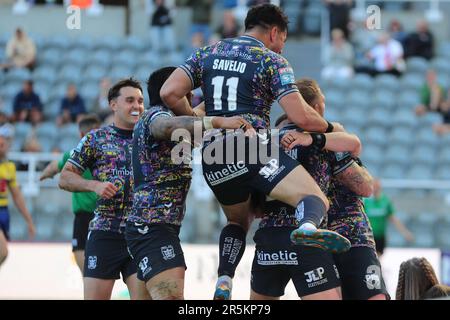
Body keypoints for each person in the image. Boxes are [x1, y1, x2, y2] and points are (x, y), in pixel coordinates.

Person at [160, 3, 350, 300]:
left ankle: (224, 278)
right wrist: (328, 127)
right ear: (274, 32)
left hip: (212, 155)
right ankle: (308, 228)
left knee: (238, 221)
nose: (283, 48)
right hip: (250, 146)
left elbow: (168, 92)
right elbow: (300, 117)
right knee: (314, 199)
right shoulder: (271, 60)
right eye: (283, 41)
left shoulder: (208, 51)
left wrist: (200, 124)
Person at [126, 66, 252, 300]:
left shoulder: (180, 120)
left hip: (158, 226)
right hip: (152, 226)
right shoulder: (156, 115)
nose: (192, 96)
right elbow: (167, 127)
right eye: (187, 91)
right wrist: (218, 122)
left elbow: (197, 114)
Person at [250, 83, 364, 300]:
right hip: (305, 238)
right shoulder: (323, 137)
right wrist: (324, 133)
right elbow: (355, 145)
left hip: (269, 236)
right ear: (315, 107)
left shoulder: (266, 139)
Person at [59, 79, 146, 300]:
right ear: (113, 104)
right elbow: (65, 177)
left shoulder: (151, 139)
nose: (136, 106)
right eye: (129, 100)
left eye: (140, 101)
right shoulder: (96, 139)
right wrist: (94, 185)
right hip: (104, 232)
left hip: (141, 234)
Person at [39, 114, 101, 274]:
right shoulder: (110, 156)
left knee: (85, 266)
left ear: (81, 135)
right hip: (106, 215)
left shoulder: (74, 155)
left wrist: (44, 175)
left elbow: (55, 166)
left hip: (84, 217)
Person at [0, 134, 36, 268]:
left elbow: (17, 196)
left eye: (4, 145)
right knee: (2, 252)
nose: (3, 148)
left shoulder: (9, 167)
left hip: (4, 212)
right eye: (1, 145)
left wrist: (29, 220)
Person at [364, 178, 414, 257]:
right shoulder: (366, 202)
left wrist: (405, 233)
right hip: (369, 236)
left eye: (377, 187)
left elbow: (393, 219)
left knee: (378, 258)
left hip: (381, 236)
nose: (375, 189)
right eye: (374, 187)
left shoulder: (385, 201)